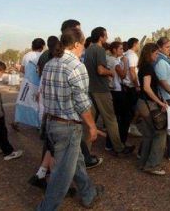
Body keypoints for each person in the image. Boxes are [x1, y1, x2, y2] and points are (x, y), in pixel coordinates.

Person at [37, 28, 104, 210]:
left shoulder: (51, 63)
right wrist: (91, 126)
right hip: (67, 125)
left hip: (51, 121)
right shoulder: (76, 66)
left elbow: (42, 93)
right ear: (76, 44)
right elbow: (82, 102)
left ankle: (88, 193)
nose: (84, 48)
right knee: (61, 175)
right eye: (83, 44)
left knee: (76, 161)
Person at [84, 27, 134, 156]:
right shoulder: (99, 50)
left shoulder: (88, 50)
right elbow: (100, 70)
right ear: (100, 37)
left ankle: (86, 151)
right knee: (111, 120)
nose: (106, 38)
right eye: (105, 35)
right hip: (101, 89)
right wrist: (110, 72)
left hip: (91, 88)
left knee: (90, 122)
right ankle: (118, 148)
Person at [135, 43, 168, 175]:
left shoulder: (143, 66)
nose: (157, 55)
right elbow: (147, 88)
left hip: (143, 103)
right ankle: (153, 164)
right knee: (160, 133)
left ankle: (144, 163)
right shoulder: (148, 67)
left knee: (148, 134)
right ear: (149, 53)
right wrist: (160, 102)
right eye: (156, 53)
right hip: (149, 104)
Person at [104, 42, 129, 147]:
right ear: (114, 50)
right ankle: (119, 142)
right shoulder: (114, 61)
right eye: (120, 49)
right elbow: (123, 75)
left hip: (112, 90)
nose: (122, 51)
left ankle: (110, 143)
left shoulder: (108, 59)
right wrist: (126, 63)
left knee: (115, 117)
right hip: (117, 91)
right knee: (121, 118)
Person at [123, 38, 142, 137]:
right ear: (135, 44)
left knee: (129, 108)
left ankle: (128, 126)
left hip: (126, 85)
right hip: (131, 86)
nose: (139, 46)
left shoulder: (125, 54)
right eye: (138, 44)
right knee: (136, 108)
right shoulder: (132, 55)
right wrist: (137, 85)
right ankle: (131, 126)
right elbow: (132, 71)